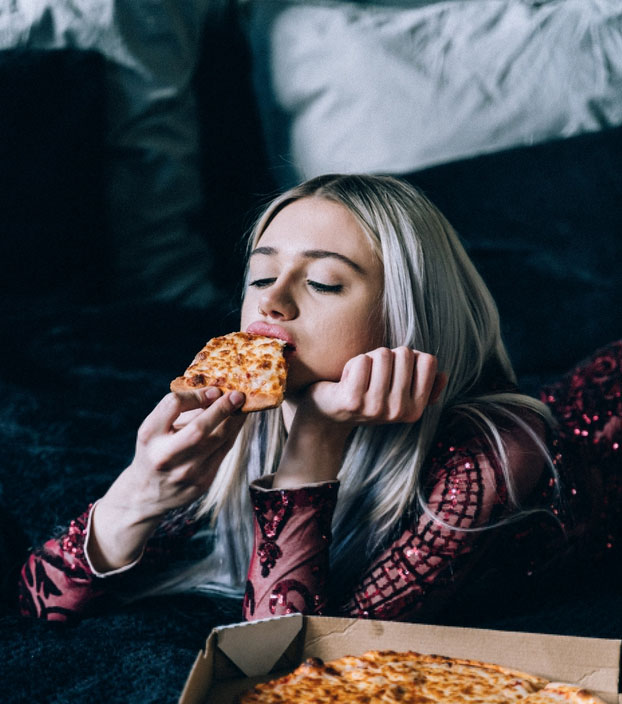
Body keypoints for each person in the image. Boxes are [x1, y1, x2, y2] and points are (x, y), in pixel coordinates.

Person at [19, 174, 621, 624]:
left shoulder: (495, 457)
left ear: (405, 318)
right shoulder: (238, 415)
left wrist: (314, 441)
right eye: (260, 277)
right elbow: (37, 605)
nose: (272, 303)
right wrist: (138, 495)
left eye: (323, 282)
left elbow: (291, 665)